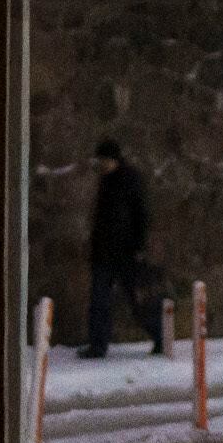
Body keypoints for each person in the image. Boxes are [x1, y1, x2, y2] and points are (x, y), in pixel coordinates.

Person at [80, 136, 164, 358]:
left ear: (114, 159)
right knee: (99, 301)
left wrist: (138, 246)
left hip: (125, 251)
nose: (102, 165)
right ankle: (98, 345)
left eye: (105, 160)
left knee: (136, 300)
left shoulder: (128, 181)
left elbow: (140, 216)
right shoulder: (107, 181)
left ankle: (160, 336)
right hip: (105, 252)